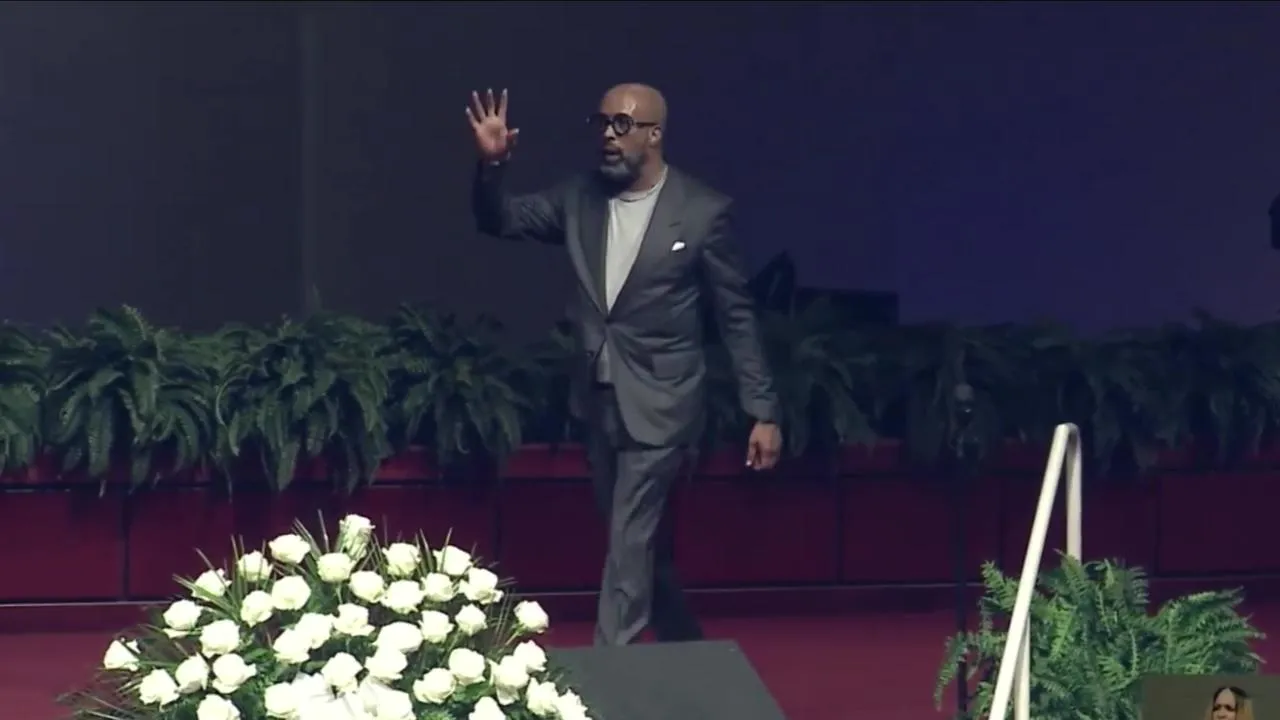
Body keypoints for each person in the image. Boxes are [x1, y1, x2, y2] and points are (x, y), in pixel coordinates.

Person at [465, 84, 782, 646]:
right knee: (635, 539)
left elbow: (736, 316)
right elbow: (502, 220)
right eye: (602, 123)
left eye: (622, 124)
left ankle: (611, 664)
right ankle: (686, 647)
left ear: (654, 134)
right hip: (599, 399)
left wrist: (762, 410)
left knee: (630, 534)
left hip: (664, 400)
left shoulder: (702, 213)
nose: (608, 136)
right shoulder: (579, 198)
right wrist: (493, 167)